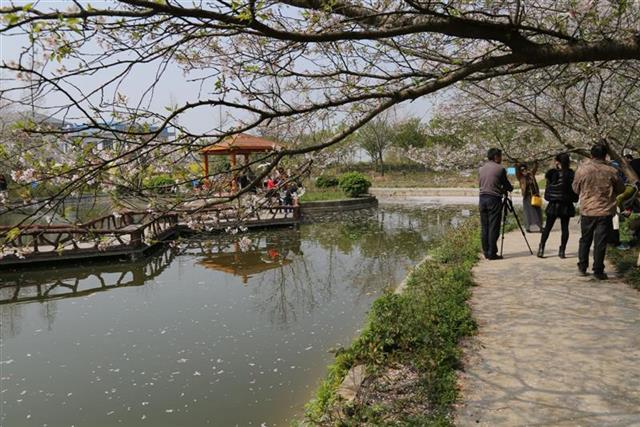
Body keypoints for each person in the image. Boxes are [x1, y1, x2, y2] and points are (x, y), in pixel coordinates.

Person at [572, 143, 625, 280]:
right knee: (600, 241)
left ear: (591, 155)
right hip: (605, 211)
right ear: (605, 155)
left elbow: (575, 189)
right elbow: (621, 189)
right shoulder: (611, 171)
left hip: (588, 211)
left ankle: (582, 267)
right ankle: (598, 271)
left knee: (585, 239)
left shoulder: (582, 170)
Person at [537, 153, 578, 258]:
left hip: (553, 204)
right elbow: (574, 192)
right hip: (566, 205)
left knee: (547, 227)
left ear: (557, 162)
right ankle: (562, 250)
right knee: (565, 228)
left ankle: (541, 248)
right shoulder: (571, 174)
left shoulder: (551, 174)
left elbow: (547, 194)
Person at [479, 148, 513, 260]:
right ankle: (492, 253)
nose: (501, 158)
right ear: (496, 157)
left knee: (485, 227)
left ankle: (486, 252)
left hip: (482, 199)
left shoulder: (481, 169)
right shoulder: (500, 169)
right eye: (500, 156)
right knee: (494, 226)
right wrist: (509, 188)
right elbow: (506, 185)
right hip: (493, 199)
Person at [516, 161, 543, 232]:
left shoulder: (530, 174)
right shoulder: (520, 177)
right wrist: (516, 164)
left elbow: (535, 169)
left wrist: (536, 163)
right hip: (526, 196)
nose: (523, 170)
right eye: (522, 170)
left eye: (524, 169)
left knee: (537, 211)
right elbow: (516, 170)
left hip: (534, 196)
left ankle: (540, 226)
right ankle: (527, 227)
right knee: (527, 212)